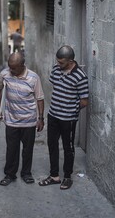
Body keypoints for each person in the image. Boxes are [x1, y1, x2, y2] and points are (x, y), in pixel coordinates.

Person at [39, 45, 89, 190]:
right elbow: (55, 84)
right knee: (52, 145)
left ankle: (67, 177)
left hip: (68, 119)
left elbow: (84, 101)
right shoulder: (56, 69)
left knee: (68, 147)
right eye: (57, 61)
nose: (58, 64)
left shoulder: (80, 76)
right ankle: (54, 175)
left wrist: (71, 108)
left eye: (61, 62)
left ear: (71, 61)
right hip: (53, 115)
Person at [0, 52, 44, 186]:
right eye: (10, 67)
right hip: (11, 119)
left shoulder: (33, 78)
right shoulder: (5, 74)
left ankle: (26, 173)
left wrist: (40, 118)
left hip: (29, 120)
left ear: (22, 65)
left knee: (28, 149)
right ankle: (10, 174)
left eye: (14, 68)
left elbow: (40, 98)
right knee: (12, 148)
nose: (11, 70)